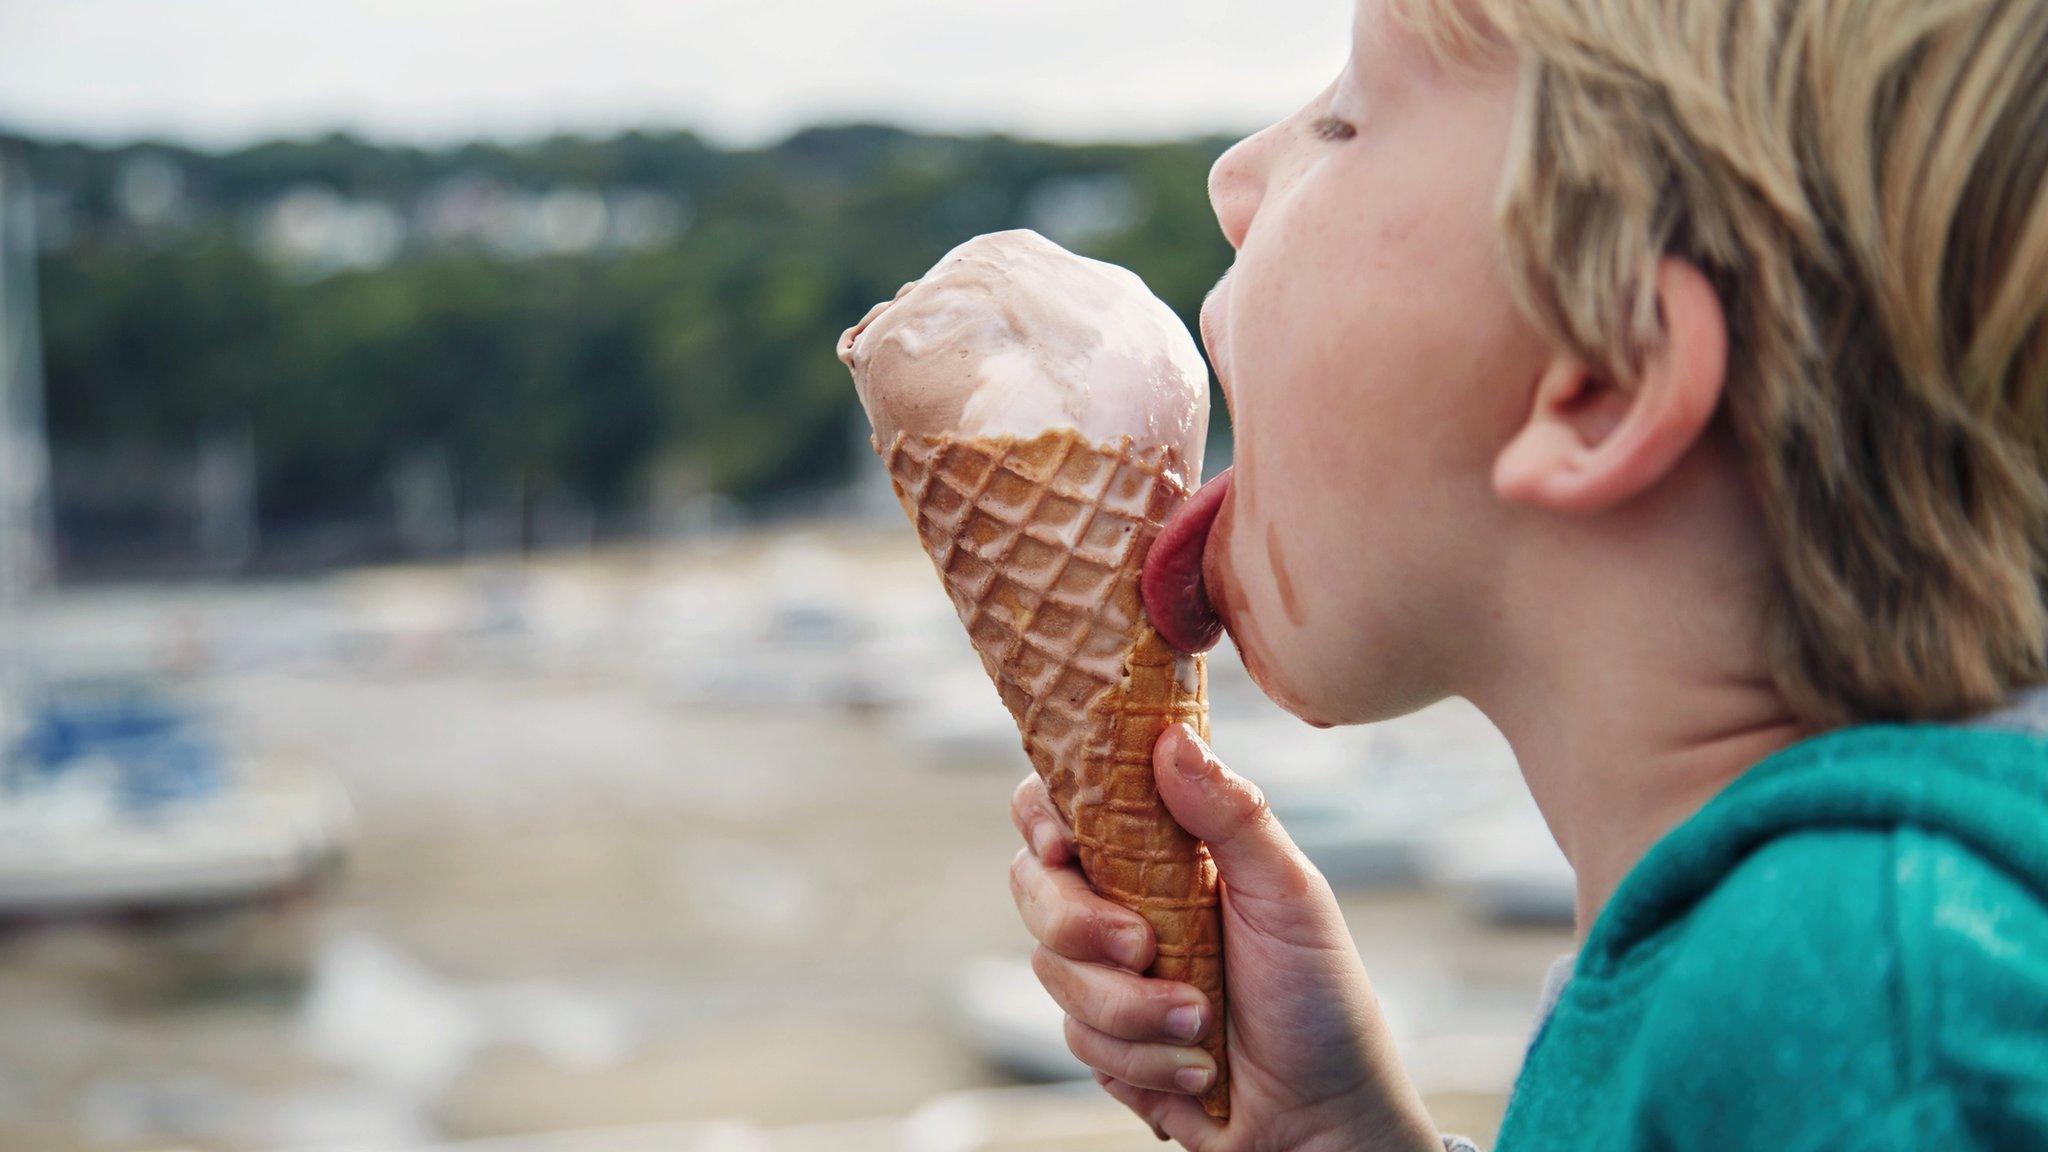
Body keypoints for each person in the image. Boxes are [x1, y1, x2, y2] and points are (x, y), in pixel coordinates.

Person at [1004, 0, 2048, 1148]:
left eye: (1345, 123)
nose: (1231, 181)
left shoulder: (1863, 1013)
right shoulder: (1810, 967)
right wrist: (1340, 1134)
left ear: (1606, 374)